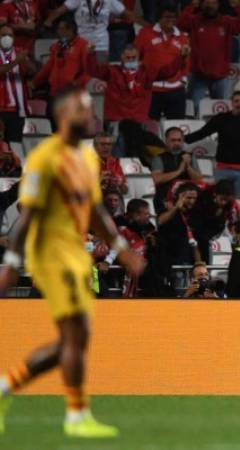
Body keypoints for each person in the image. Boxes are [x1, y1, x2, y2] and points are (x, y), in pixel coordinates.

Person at [0, 87, 145, 437]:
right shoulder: (43, 159)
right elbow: (28, 214)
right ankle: (76, 415)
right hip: (51, 253)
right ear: (65, 115)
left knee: (75, 340)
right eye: (84, 109)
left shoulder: (88, 159)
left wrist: (120, 247)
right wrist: (11, 263)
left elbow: (95, 209)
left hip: (76, 254)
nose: (92, 115)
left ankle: (7, 388)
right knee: (75, 334)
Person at [87, 43, 190, 125]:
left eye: (133, 57)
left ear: (138, 57)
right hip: (115, 120)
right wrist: (91, 55)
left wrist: (181, 57)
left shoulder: (147, 72)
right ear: (122, 57)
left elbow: (167, 72)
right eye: (128, 57)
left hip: (139, 121)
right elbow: (93, 70)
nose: (131, 60)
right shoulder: (112, 71)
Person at [178, 0, 240, 107]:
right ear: (201, 5)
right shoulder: (194, 20)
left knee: (221, 109)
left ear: (218, 5)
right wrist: (191, 6)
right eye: (207, 3)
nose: (210, 6)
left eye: (213, 3)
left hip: (220, 75)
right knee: (194, 107)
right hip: (198, 74)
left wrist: (238, 8)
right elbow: (180, 24)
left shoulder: (226, 21)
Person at [44, 0, 146, 63]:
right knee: (84, 68)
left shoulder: (109, 1)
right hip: (83, 41)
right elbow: (61, 10)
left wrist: (148, 27)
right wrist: (48, 21)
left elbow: (128, 14)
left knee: (101, 70)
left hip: (101, 42)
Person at [135, 6, 190, 120]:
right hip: (151, 90)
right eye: (167, 17)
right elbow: (135, 57)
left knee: (176, 126)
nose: (171, 20)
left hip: (176, 90)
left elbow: (186, 62)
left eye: (174, 17)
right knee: (149, 128)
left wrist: (183, 80)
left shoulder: (183, 38)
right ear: (159, 18)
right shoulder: (145, 33)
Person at [31, 19, 90, 116]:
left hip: (73, 94)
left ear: (70, 30)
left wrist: (77, 82)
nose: (58, 32)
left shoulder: (83, 45)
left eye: (61, 29)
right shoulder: (56, 46)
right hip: (55, 93)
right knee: (54, 126)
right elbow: (48, 67)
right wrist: (35, 82)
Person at [152, 126, 203, 214]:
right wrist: (179, 171)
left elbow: (199, 180)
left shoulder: (190, 156)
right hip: (165, 197)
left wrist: (188, 166)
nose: (176, 143)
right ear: (166, 141)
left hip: (187, 198)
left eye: (179, 140)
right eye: (173, 140)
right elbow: (157, 179)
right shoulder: (159, 158)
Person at [0, 24, 35, 143]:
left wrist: (24, 61)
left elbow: (32, 71)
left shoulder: (19, 52)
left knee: (15, 144)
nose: (7, 38)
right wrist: (16, 61)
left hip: (17, 109)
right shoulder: (18, 57)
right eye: (3, 35)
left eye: (10, 35)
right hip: (1, 108)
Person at [120, 198, 159, 298]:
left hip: (148, 276)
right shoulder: (122, 229)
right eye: (146, 214)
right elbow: (115, 251)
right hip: (124, 273)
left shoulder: (150, 229)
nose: (149, 216)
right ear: (136, 215)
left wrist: (153, 245)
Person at [94, 132, 128, 196]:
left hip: (112, 200)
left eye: (109, 144)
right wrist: (99, 180)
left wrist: (120, 184)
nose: (106, 147)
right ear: (95, 146)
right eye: (102, 144)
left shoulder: (115, 162)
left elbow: (125, 191)